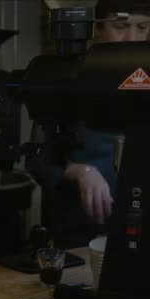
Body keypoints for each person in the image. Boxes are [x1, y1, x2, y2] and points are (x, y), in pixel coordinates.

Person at [26, 3, 150, 249]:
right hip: (77, 239)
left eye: (142, 27)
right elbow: (36, 159)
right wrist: (81, 172)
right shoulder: (70, 80)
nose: (131, 38)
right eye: (121, 26)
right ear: (99, 27)